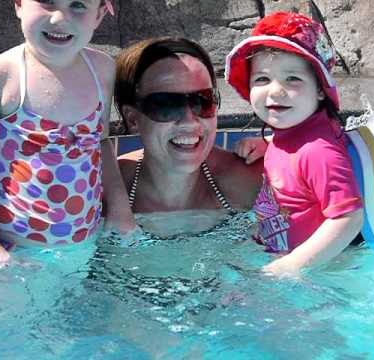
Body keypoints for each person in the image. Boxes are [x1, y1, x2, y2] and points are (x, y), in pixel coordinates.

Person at [0, 0, 137, 265]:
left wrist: (120, 210)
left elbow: (101, 142)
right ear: (18, 5)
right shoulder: (1, 75)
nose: (59, 18)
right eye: (47, 2)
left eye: (77, 5)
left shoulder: (102, 70)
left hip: (85, 245)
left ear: (98, 15)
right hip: (17, 252)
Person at [225, 12, 364, 277]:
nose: (275, 91)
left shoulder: (318, 151)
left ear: (321, 89)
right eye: (262, 79)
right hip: (283, 252)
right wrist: (267, 144)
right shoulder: (294, 135)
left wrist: (291, 266)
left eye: (293, 79)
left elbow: (348, 218)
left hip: (320, 272)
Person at [113, 37, 263, 236]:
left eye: (202, 101)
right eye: (166, 105)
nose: (189, 121)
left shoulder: (253, 181)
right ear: (133, 119)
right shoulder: (106, 192)